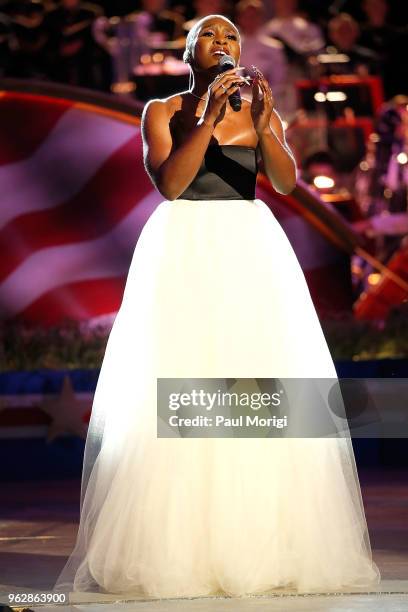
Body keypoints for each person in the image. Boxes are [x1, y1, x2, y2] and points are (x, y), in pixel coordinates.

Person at [53, 13, 381, 600]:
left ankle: (261, 542)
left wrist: (265, 124)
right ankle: (178, 547)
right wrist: (205, 118)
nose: (224, 43)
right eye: (211, 34)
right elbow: (173, 183)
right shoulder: (162, 110)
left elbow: (283, 183)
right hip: (185, 246)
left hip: (249, 249)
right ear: (188, 50)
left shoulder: (257, 106)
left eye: (231, 35)